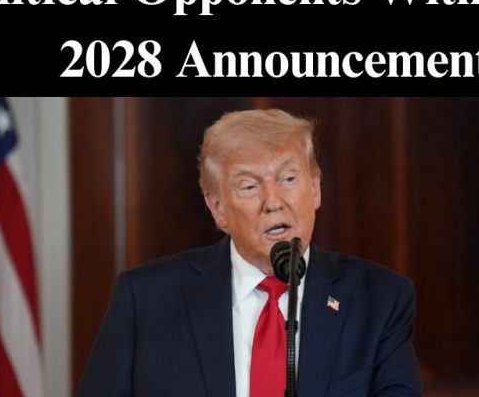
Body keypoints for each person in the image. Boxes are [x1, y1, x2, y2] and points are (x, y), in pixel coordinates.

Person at [76, 108, 422, 396]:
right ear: (218, 209)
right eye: (249, 186)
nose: (273, 201)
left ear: (316, 188)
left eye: (288, 179)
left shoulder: (380, 299)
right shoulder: (145, 299)